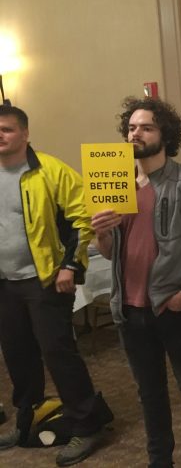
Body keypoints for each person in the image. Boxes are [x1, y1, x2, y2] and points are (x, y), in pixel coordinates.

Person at [90, 97, 181, 467]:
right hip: (129, 309)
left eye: (146, 127)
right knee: (149, 394)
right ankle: (159, 461)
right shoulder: (115, 183)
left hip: (173, 306)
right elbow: (109, 253)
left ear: (165, 134)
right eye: (132, 127)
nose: (136, 133)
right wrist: (101, 234)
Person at [0, 104, 113, 466]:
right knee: (17, 355)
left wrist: (69, 266)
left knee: (58, 353)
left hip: (46, 281)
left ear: (25, 133)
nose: (0, 135)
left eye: (7, 129)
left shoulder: (51, 171)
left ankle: (87, 424)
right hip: (5, 284)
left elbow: (82, 220)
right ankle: (27, 420)